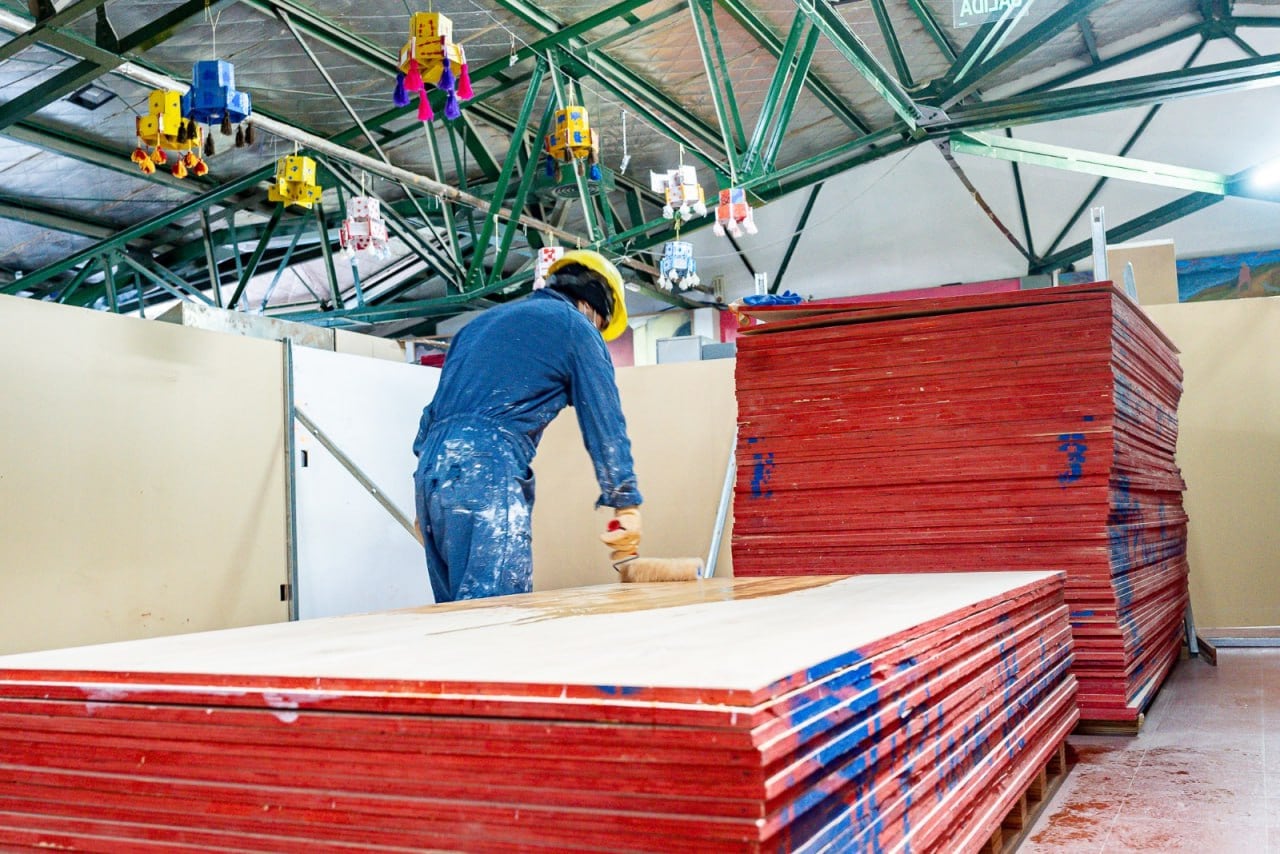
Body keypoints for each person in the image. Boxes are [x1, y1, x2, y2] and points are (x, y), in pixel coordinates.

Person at [412, 250, 643, 603]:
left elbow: (433, 417)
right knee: (497, 615)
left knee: (455, 620)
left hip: (431, 475)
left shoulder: (474, 328)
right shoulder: (576, 327)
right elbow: (604, 422)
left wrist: (426, 504)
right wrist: (625, 503)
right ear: (595, 306)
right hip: (485, 470)